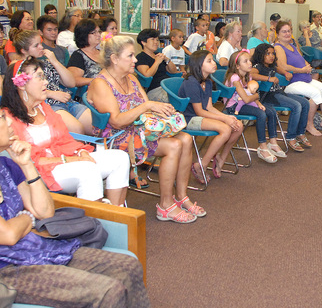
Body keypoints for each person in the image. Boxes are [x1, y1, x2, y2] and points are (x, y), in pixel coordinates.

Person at [0, 92, 150, 308]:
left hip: (32, 248)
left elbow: (44, 211)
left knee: (127, 266)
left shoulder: (4, 165)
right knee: (106, 291)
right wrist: (27, 217)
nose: (9, 120)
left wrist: (27, 165)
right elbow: (7, 235)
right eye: (0, 116)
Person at [89, 37, 206, 221]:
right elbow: (117, 122)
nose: (135, 60)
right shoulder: (101, 84)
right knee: (174, 145)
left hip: (138, 129)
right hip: (117, 137)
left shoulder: (131, 78)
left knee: (186, 138)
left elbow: (146, 107)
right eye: (130, 56)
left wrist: (162, 112)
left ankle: (182, 197)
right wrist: (147, 107)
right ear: (114, 59)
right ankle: (165, 205)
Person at [1, 58, 127, 205]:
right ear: (21, 85)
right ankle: (95, 223)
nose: (46, 82)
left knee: (120, 158)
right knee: (88, 170)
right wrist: (71, 159)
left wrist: (81, 152)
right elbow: (29, 160)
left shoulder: (43, 108)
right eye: (40, 77)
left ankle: (115, 216)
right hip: (41, 171)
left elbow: (65, 139)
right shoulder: (8, 119)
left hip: (64, 160)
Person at [178, 50, 243, 180]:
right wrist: (225, 118)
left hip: (201, 115)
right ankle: (201, 165)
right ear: (199, 65)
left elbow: (209, 107)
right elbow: (199, 111)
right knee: (225, 128)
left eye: (212, 60)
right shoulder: (191, 82)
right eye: (209, 61)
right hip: (189, 118)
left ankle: (221, 159)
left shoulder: (207, 82)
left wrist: (227, 118)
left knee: (238, 125)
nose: (214, 63)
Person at [13, 29, 91, 135]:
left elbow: (71, 83)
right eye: (36, 46)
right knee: (77, 130)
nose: (41, 47)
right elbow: (22, 91)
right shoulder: (18, 67)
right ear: (23, 50)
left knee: (94, 126)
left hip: (66, 102)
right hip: (47, 105)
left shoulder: (45, 63)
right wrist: (52, 94)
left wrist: (54, 61)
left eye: (40, 44)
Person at [274, 21, 322, 135]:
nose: (287, 33)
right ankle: (309, 124)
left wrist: (307, 66)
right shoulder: (278, 47)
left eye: (289, 31)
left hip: (304, 79)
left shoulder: (292, 45)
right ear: (278, 34)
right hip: (292, 83)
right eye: (284, 31)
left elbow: (302, 59)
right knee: (316, 93)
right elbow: (283, 66)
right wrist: (302, 70)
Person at [224, 50, 284, 163]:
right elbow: (247, 98)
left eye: (249, 61)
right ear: (237, 66)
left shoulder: (248, 76)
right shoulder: (234, 78)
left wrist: (259, 103)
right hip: (234, 107)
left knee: (270, 110)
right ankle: (262, 147)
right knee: (261, 114)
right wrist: (256, 96)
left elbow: (250, 97)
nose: (250, 63)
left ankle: (273, 142)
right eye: (245, 61)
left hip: (245, 103)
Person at [250, 43, 312, 152]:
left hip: (278, 93)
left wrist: (286, 73)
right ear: (260, 55)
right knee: (296, 105)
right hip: (268, 96)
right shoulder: (258, 66)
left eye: (273, 53)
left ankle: (300, 133)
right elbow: (251, 74)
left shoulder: (271, 66)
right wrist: (268, 79)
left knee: (305, 103)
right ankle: (291, 137)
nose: (271, 56)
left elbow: (279, 69)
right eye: (267, 54)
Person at [135, 28, 177, 102]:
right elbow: (147, 75)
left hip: (168, 85)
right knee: (173, 99)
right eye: (152, 39)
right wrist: (157, 62)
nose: (156, 42)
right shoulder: (140, 57)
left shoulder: (158, 55)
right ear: (143, 42)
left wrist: (167, 60)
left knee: (187, 92)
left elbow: (174, 71)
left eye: (157, 40)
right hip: (155, 89)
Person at [67, 19, 102, 87]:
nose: (98, 35)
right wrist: (98, 80)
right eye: (94, 32)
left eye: (99, 32)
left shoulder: (103, 53)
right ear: (84, 35)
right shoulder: (78, 56)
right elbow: (74, 80)